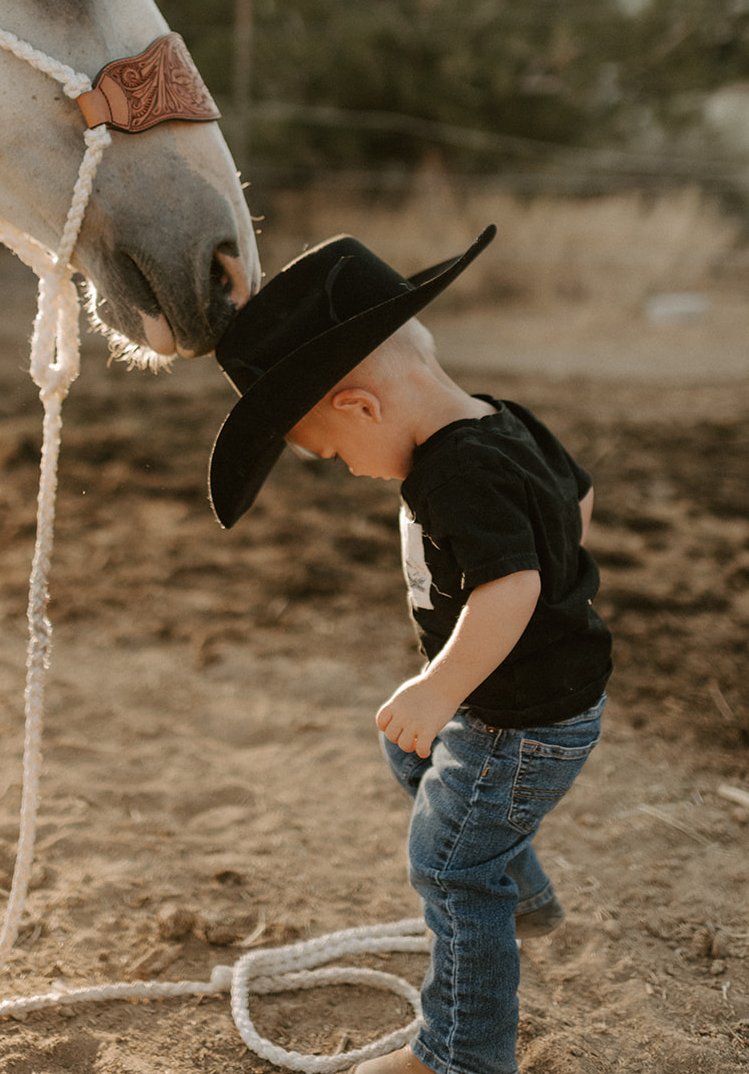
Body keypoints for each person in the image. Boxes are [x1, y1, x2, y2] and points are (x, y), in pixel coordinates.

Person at [208, 225, 612, 1074]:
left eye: (330, 453)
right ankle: (527, 901)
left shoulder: (452, 473)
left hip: (518, 719)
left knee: (450, 868)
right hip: (541, 698)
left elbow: (513, 589)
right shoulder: (504, 422)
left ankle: (458, 1055)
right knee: (418, 767)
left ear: (361, 407)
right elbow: (575, 501)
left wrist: (440, 686)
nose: (348, 470)